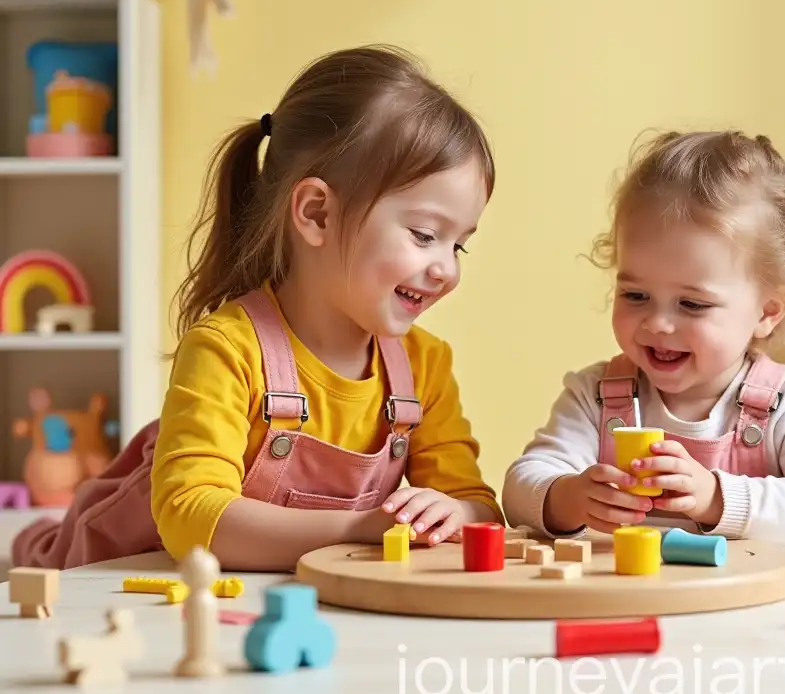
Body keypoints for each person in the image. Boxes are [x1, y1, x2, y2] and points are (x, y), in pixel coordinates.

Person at [14, 45, 503, 571]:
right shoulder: (225, 348)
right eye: (425, 235)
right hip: (102, 577)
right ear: (317, 213)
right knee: (33, 553)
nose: (446, 269)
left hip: (253, 600)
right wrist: (361, 530)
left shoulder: (424, 368)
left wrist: (450, 510)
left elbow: (478, 507)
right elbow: (191, 518)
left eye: (458, 246)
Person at [502, 129, 785, 548]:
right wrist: (566, 499)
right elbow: (519, 488)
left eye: (692, 304)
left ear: (767, 312)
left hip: (745, 607)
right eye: (636, 295)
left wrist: (719, 498)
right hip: (627, 600)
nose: (658, 323)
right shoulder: (597, 397)